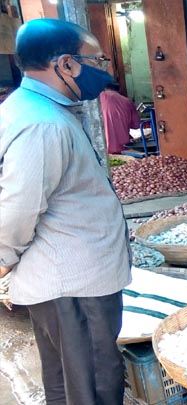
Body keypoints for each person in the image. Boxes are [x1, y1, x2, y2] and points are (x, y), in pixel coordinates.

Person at [0, 19, 131, 405]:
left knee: (66, 378)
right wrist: (3, 260)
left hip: (64, 283)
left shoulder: (28, 106)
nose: (103, 70)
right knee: (93, 381)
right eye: (97, 60)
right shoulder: (43, 124)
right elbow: (19, 209)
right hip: (73, 286)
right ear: (66, 64)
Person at [100, 81, 140, 154]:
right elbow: (136, 126)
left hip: (103, 149)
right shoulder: (127, 101)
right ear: (118, 89)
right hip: (124, 148)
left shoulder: (97, 99)